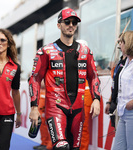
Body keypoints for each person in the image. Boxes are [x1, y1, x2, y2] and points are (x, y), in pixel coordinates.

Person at [28, 8, 101, 150]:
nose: (71, 25)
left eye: (74, 22)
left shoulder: (85, 51)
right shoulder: (46, 51)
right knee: (62, 147)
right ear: (58, 25)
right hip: (56, 107)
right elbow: (34, 79)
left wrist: (96, 98)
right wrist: (34, 107)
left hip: (78, 109)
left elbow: (93, 77)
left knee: (74, 148)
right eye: (67, 22)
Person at [105, 33, 127, 128]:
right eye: (119, 41)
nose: (119, 44)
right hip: (115, 103)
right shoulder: (120, 61)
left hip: (124, 105)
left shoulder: (132, 61)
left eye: (121, 41)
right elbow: (115, 85)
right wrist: (109, 102)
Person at [33, 81, 53, 150]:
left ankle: (50, 145)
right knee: (41, 122)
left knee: (51, 123)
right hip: (42, 94)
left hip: (50, 94)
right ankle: (44, 143)